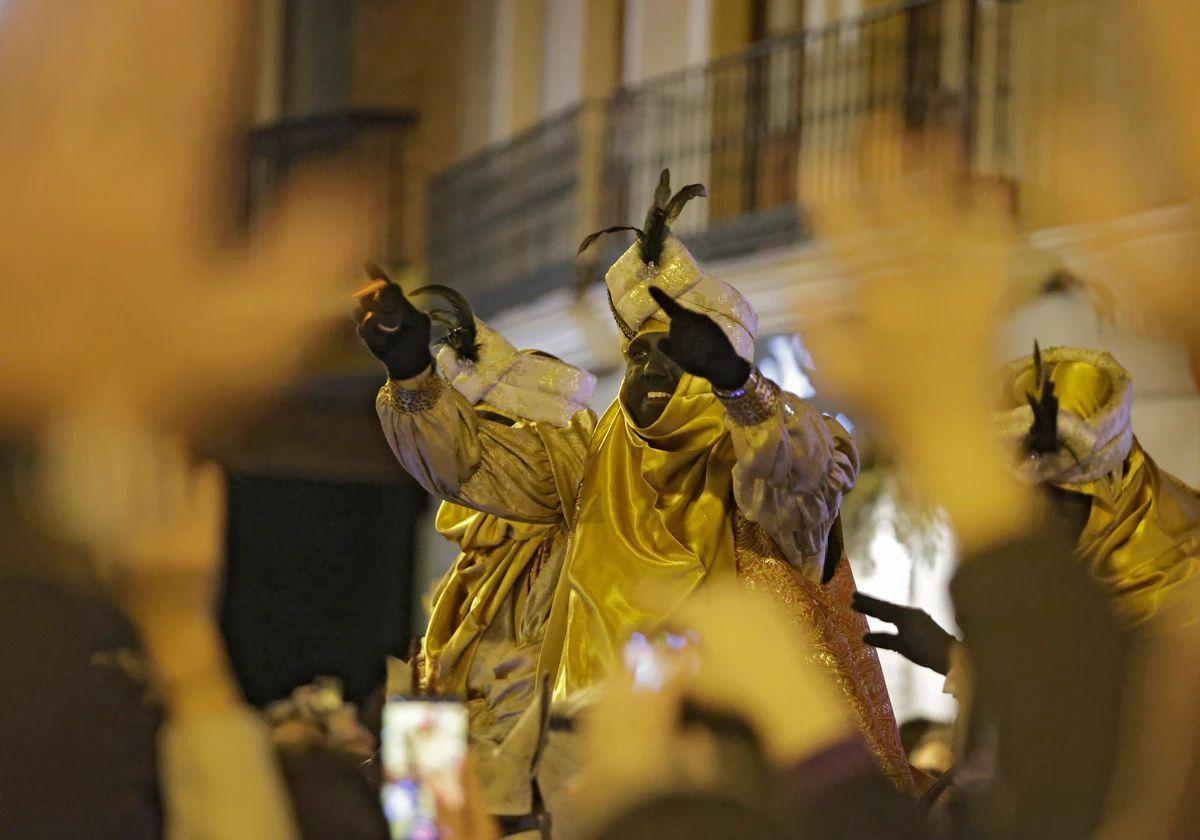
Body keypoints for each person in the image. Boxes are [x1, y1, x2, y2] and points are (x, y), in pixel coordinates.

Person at [355, 171, 916, 794]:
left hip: (748, 783)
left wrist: (737, 383)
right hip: (594, 776)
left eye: (675, 353)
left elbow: (800, 465)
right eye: (639, 354)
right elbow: (475, 468)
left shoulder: (764, 472)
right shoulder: (587, 472)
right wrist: (411, 372)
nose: (650, 366)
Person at [362, 274, 598, 822]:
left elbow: (466, 462)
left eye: (489, 431)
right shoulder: (472, 574)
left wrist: (414, 377)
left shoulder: (556, 485)